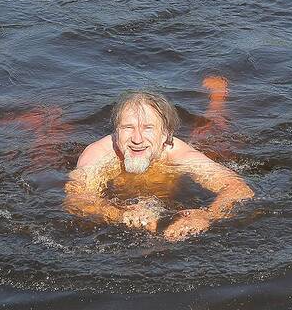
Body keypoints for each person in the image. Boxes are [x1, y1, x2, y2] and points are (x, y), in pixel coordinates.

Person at [64, 89, 254, 242]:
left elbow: (239, 189)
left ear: (165, 135)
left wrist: (206, 216)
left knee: (215, 135)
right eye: (128, 128)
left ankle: (217, 98)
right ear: (116, 132)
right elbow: (76, 200)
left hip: (183, 157)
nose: (137, 139)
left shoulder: (179, 155)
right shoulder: (99, 154)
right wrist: (119, 214)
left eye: (148, 128)